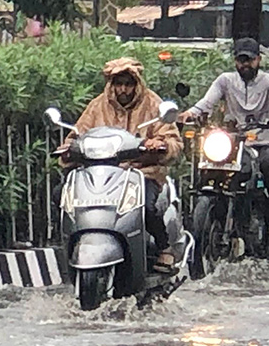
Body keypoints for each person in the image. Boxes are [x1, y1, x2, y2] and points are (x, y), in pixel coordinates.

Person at [65, 57, 183, 272]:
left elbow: (173, 141)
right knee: (62, 197)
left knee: (147, 207)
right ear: (111, 84)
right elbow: (77, 133)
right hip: (100, 176)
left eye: (128, 84)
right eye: (119, 83)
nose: (123, 89)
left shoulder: (153, 104)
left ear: (137, 84)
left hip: (141, 173)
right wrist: (68, 148)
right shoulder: (97, 105)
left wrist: (161, 145)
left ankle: (165, 249)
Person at [181, 38, 269, 234]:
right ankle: (209, 217)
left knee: (268, 164)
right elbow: (206, 103)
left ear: (258, 60)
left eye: (249, 60)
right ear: (235, 61)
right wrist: (189, 114)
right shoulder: (225, 80)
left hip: (265, 141)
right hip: (233, 142)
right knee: (210, 166)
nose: (245, 65)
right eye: (241, 60)